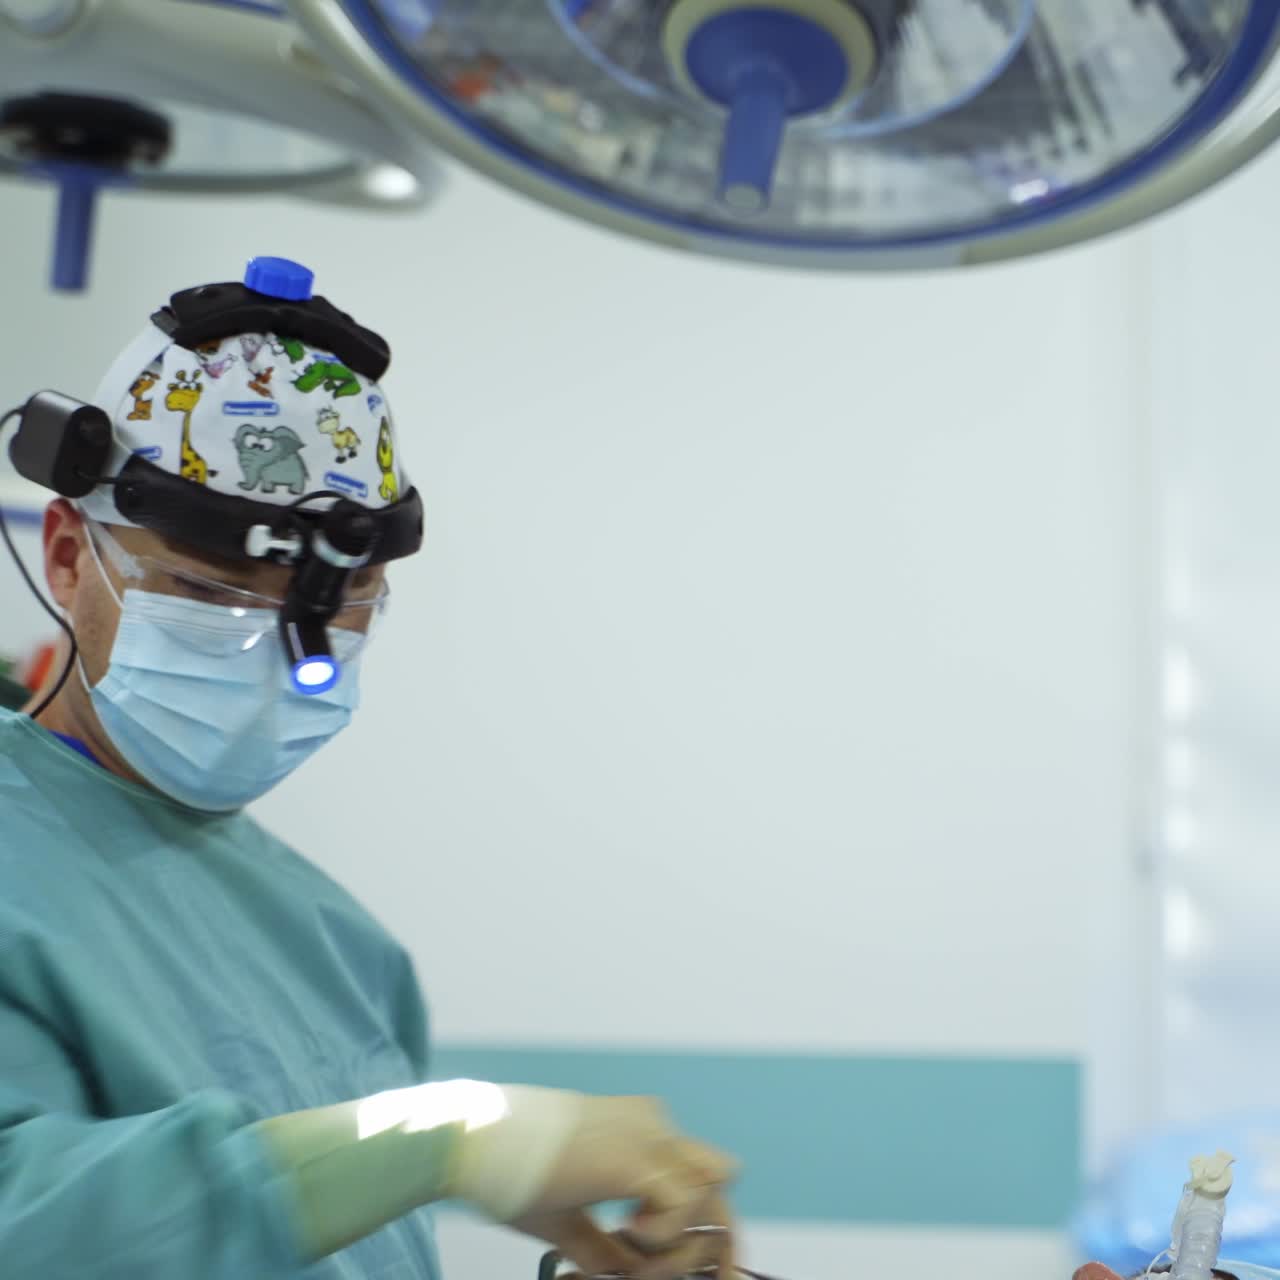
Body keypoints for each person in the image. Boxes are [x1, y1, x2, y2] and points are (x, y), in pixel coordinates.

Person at [0, 258, 740, 1280]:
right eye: (211, 591)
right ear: (70, 554)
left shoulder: (345, 950)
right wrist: (443, 1140)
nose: (271, 639)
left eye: (333, 604)